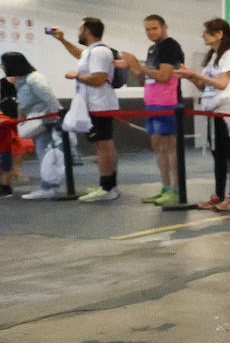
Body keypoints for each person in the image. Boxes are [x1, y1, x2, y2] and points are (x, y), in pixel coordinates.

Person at [175, 18, 230, 211]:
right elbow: (204, 85)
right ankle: (219, 194)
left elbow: (223, 84)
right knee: (218, 153)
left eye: (206, 31)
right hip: (212, 108)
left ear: (219, 34)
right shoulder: (213, 56)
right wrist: (190, 76)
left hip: (225, 109)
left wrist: (196, 75)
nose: (202, 35)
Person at [117, 14, 185, 206]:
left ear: (164, 27)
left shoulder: (170, 46)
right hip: (153, 102)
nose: (151, 32)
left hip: (169, 103)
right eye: (147, 29)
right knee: (158, 146)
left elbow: (164, 76)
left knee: (170, 147)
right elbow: (143, 76)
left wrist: (140, 66)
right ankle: (165, 186)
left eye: (154, 28)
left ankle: (176, 189)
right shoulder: (152, 49)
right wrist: (131, 65)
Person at [51, 18, 120, 202]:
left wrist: (77, 76)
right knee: (103, 144)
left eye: (80, 29)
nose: (78, 32)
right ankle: (109, 185)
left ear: (88, 30)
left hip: (99, 105)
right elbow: (81, 55)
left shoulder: (99, 52)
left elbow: (98, 79)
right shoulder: (93, 52)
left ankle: (107, 188)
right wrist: (63, 40)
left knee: (103, 145)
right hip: (96, 104)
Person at [3, 52, 62, 199]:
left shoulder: (35, 79)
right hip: (35, 120)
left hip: (46, 121)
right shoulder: (21, 80)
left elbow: (50, 99)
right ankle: (48, 186)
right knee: (43, 153)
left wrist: (56, 118)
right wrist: (21, 118)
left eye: (4, 64)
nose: (3, 67)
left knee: (47, 154)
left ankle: (49, 187)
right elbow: (23, 103)